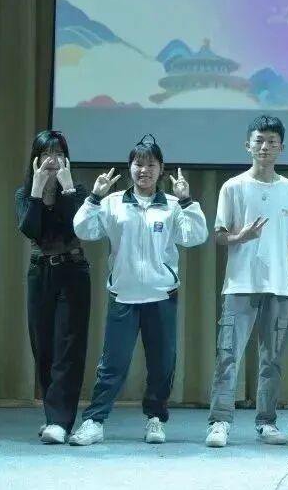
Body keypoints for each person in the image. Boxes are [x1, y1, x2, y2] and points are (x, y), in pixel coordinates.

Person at [69, 135, 207, 446]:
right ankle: (94, 421)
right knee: (112, 364)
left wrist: (187, 200)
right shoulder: (113, 202)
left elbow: (195, 236)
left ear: (161, 169)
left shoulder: (172, 205)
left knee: (162, 364)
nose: (144, 170)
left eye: (150, 165)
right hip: (124, 296)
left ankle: (155, 419)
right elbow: (83, 230)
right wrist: (94, 196)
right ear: (130, 167)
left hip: (162, 296)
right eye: (138, 164)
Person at [205, 115, 288, 448]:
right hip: (239, 284)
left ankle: (266, 422)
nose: (265, 147)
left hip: (279, 287)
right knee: (228, 355)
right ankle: (220, 422)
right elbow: (219, 236)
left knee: (272, 359)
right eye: (259, 140)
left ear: (281, 148)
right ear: (247, 145)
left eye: (272, 142)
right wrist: (241, 237)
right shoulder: (232, 187)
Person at [15, 130, 91, 444]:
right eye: (47, 153)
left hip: (72, 271)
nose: (52, 160)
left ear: (66, 159)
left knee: (68, 348)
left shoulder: (77, 191)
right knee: (43, 346)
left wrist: (68, 188)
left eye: (59, 154)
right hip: (40, 273)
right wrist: (36, 190)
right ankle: (52, 416)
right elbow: (30, 229)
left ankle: (61, 421)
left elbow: (79, 227)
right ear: (36, 159)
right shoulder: (24, 194)